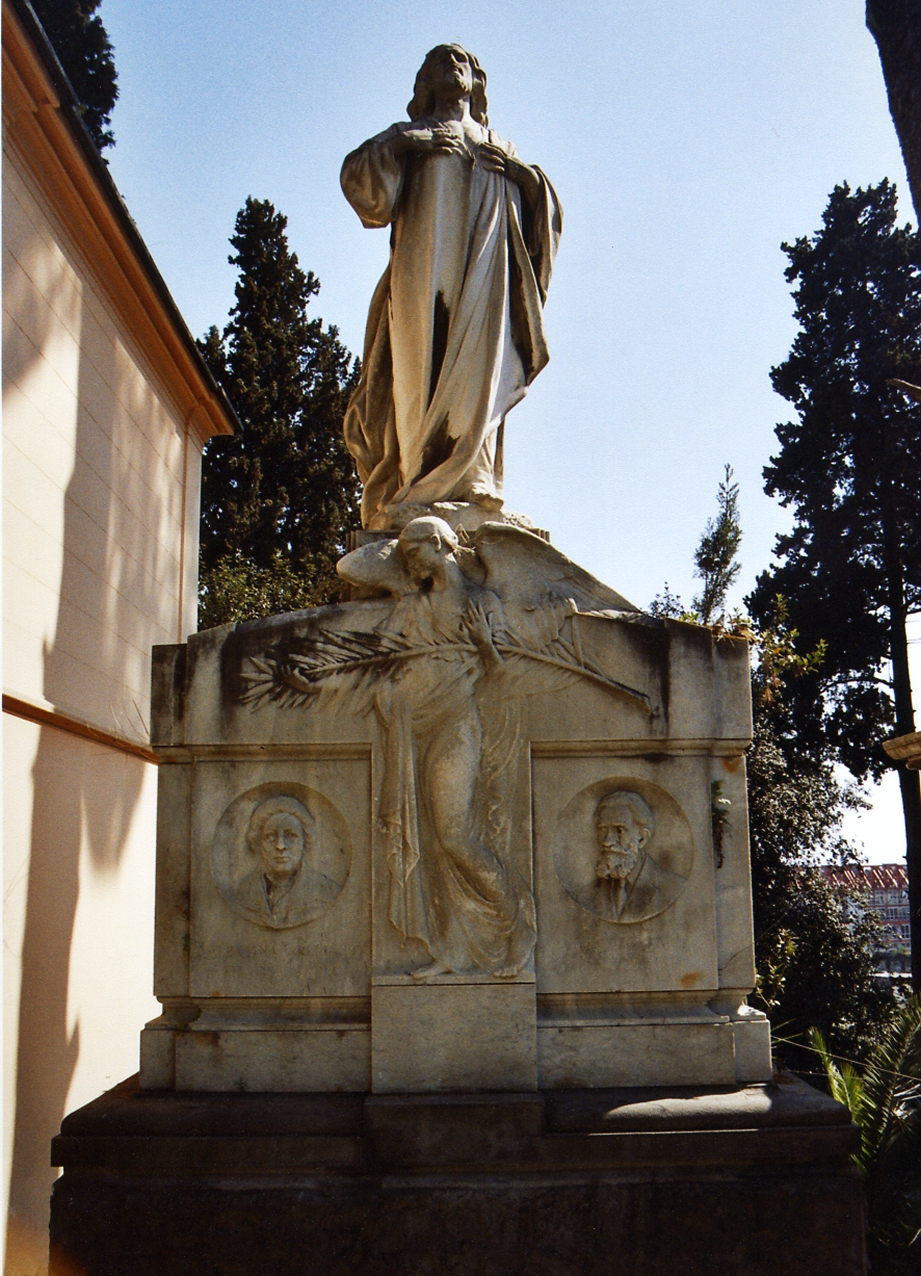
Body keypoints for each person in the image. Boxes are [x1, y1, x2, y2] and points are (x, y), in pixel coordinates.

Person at [341, 44, 562, 529]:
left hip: (485, 274)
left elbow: (545, 214)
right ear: (425, 82)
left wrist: (523, 177)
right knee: (419, 367)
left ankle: (474, 479)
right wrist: (406, 144)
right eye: (441, 62)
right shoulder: (410, 135)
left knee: (481, 367)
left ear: (477, 83)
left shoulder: (499, 145)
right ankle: (416, 481)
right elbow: (363, 188)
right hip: (423, 271)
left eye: (462, 62)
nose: (452, 67)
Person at [370, 516, 536, 979]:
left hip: (457, 723)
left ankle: (517, 926)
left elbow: (505, 676)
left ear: (441, 544)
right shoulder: (410, 608)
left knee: (455, 836)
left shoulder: (483, 603)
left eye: (413, 550)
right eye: (402, 555)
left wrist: (485, 646)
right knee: (430, 839)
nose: (407, 561)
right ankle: (451, 950)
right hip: (413, 728)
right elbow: (377, 666)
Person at [234, 796, 340, 929]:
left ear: (304, 842)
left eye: (291, 835)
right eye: (270, 836)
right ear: (259, 843)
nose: (280, 846)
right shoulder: (241, 893)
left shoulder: (327, 891)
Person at [590, 791, 686, 924]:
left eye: (619, 830)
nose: (607, 841)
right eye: (603, 830)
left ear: (642, 838)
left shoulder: (672, 886)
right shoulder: (588, 893)